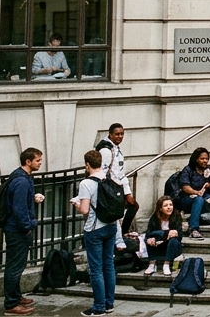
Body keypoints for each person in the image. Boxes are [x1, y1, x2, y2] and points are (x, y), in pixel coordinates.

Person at [74, 150, 116, 316]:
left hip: (94, 228)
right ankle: (109, 303)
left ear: (87, 165)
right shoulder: (110, 178)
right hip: (111, 226)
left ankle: (99, 307)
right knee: (109, 266)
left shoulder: (86, 183)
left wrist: (76, 204)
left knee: (96, 269)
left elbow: (84, 210)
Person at [3, 148, 44, 315]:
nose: (40, 163)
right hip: (17, 230)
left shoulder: (21, 177)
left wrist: (32, 198)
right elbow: (19, 210)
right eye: (37, 160)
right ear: (28, 162)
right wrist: (27, 228)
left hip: (15, 228)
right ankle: (11, 304)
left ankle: (16, 296)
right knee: (15, 267)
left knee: (16, 266)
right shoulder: (22, 181)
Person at [95, 123, 138, 235]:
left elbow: (120, 172)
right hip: (110, 189)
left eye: (122, 134)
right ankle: (119, 236)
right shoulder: (106, 150)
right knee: (115, 214)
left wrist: (127, 192)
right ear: (110, 134)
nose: (120, 136)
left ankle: (123, 233)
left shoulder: (115, 148)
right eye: (117, 134)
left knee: (133, 205)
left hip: (118, 186)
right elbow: (102, 172)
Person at [177, 148, 210, 240]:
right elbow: (185, 187)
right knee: (199, 199)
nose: (205, 161)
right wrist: (196, 192)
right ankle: (194, 229)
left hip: (204, 196)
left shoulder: (209, 168)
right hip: (187, 198)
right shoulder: (188, 169)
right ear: (196, 159)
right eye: (202, 159)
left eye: (206, 159)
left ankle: (188, 220)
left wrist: (209, 184)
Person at [141, 196, 184, 276]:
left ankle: (166, 264)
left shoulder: (176, 216)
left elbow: (180, 235)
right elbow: (149, 234)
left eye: (170, 205)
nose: (169, 207)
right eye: (165, 206)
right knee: (151, 238)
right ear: (160, 208)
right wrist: (166, 233)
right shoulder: (154, 218)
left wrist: (165, 234)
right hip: (158, 245)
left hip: (172, 247)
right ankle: (152, 264)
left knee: (173, 239)